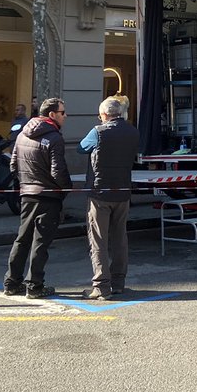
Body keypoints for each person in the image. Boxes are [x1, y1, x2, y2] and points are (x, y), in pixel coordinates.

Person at [4, 97, 72, 299]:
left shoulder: (22, 134)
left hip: (27, 194)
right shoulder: (54, 138)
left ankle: (11, 282)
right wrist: (65, 189)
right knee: (40, 242)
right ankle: (34, 286)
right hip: (48, 196)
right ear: (52, 115)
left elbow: (13, 165)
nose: (65, 116)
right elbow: (58, 171)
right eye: (62, 112)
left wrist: (26, 183)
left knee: (22, 239)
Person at [78, 97, 140, 300]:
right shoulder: (133, 131)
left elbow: (81, 148)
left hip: (100, 193)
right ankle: (119, 282)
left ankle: (101, 286)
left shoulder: (98, 132)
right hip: (123, 192)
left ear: (104, 115)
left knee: (99, 240)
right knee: (120, 238)